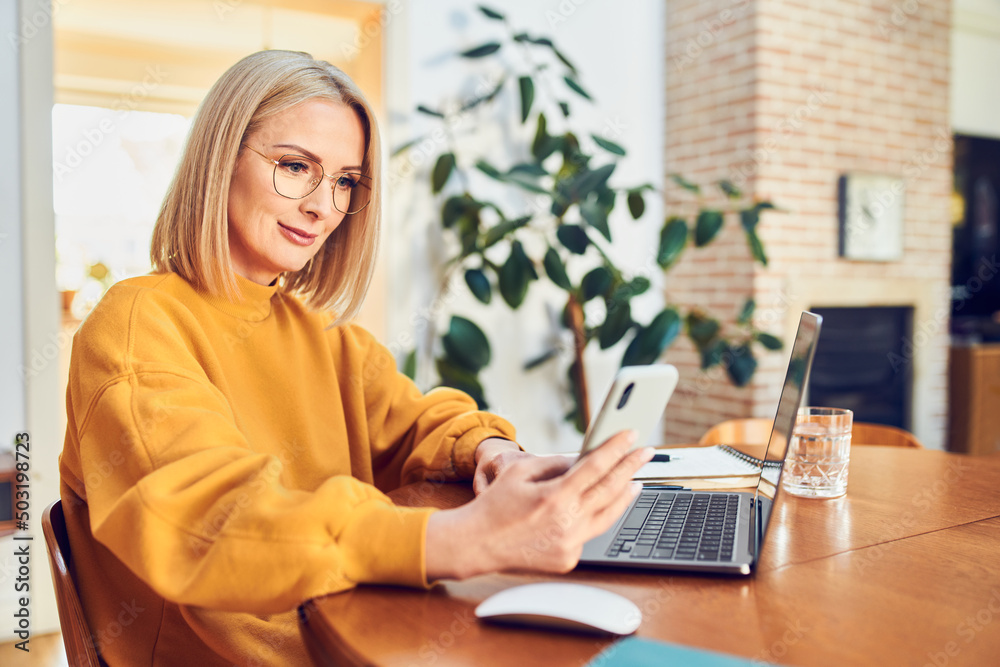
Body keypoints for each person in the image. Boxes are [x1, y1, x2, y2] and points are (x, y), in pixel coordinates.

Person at [58, 50, 652, 666]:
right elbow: (212, 520)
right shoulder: (137, 323)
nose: (323, 206)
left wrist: (492, 452)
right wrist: (465, 538)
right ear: (219, 159)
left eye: (345, 181)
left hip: (357, 643)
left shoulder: (321, 332)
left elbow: (418, 420)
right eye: (295, 166)